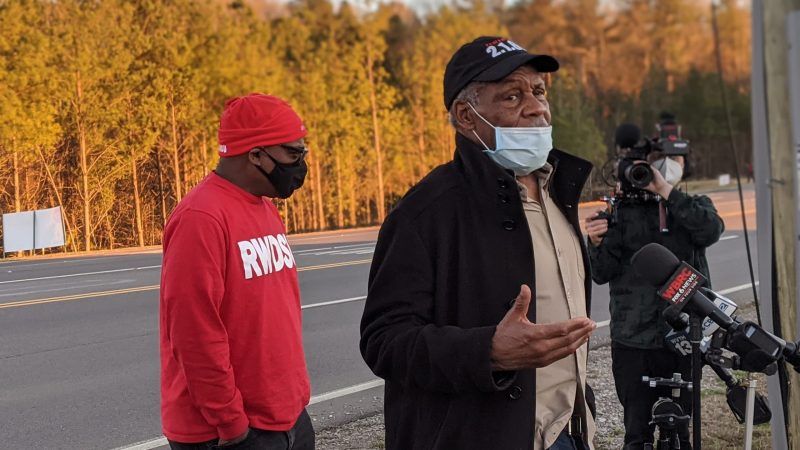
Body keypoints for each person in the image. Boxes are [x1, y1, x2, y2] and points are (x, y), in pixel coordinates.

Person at [359, 36, 597, 450]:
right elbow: (385, 341)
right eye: (512, 95)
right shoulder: (425, 213)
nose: (536, 106)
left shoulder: (558, 192)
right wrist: (487, 352)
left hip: (569, 434)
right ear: (466, 116)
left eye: (539, 91)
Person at [160, 93, 314, 450]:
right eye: (293, 154)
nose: (301, 165)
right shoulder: (201, 217)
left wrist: (295, 401)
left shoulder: (265, 209)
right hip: (225, 434)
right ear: (255, 154)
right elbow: (194, 333)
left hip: (286, 420)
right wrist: (232, 426)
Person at [584, 139, 724, 450]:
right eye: (657, 160)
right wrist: (593, 243)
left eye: (674, 159)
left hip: (684, 337)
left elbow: (710, 230)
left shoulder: (692, 205)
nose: (665, 166)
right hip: (633, 340)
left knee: (681, 430)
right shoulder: (618, 213)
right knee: (637, 434)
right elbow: (601, 272)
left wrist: (665, 191)